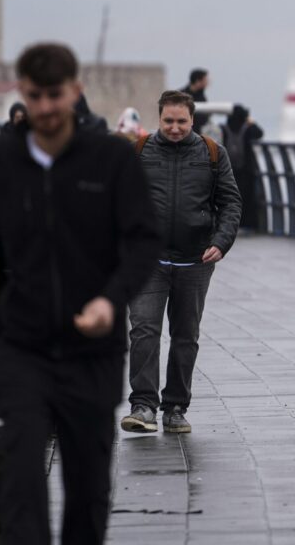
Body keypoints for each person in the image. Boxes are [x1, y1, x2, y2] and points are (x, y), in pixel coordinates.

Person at [0, 42, 160, 545]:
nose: (45, 107)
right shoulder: (4, 160)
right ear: (21, 92)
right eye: (35, 96)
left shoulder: (110, 159)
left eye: (55, 95)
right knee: (18, 482)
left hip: (92, 353)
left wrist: (110, 300)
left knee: (88, 490)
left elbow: (141, 240)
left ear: (75, 91)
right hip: (21, 347)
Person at [120, 90, 241, 435]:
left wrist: (221, 242)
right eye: (168, 121)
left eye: (181, 122)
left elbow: (231, 203)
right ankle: (143, 406)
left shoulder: (213, 154)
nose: (175, 128)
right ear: (159, 118)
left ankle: (175, 407)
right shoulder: (139, 151)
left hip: (195, 260)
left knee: (185, 336)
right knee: (144, 331)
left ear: (192, 120)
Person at [220, 104, 265, 231]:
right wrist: (251, 122)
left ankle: (229, 223)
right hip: (246, 170)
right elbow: (260, 133)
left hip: (228, 170)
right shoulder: (247, 128)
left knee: (229, 197)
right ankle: (248, 224)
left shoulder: (224, 129)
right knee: (248, 198)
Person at [180, 68, 210, 133]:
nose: (207, 83)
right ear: (198, 81)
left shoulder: (202, 97)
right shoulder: (180, 96)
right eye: (205, 80)